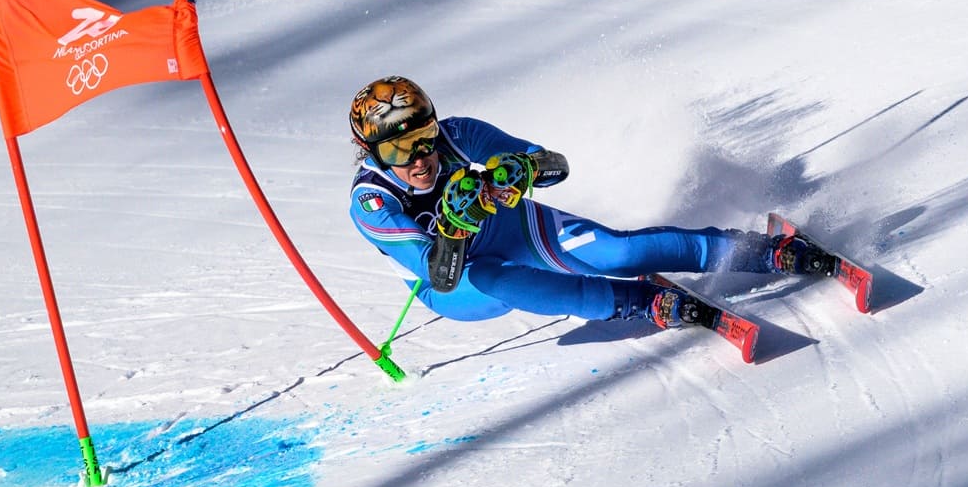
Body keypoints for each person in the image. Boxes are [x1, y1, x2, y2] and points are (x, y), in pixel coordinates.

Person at [347, 76, 830, 329]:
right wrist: (454, 225)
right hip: (459, 283)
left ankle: (761, 251)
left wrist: (521, 168)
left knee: (620, 253)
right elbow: (441, 276)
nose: (420, 158)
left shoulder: (458, 135)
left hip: (509, 229)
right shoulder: (372, 202)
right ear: (372, 153)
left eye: (425, 137)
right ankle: (635, 303)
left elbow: (553, 163)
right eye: (397, 150)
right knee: (499, 278)